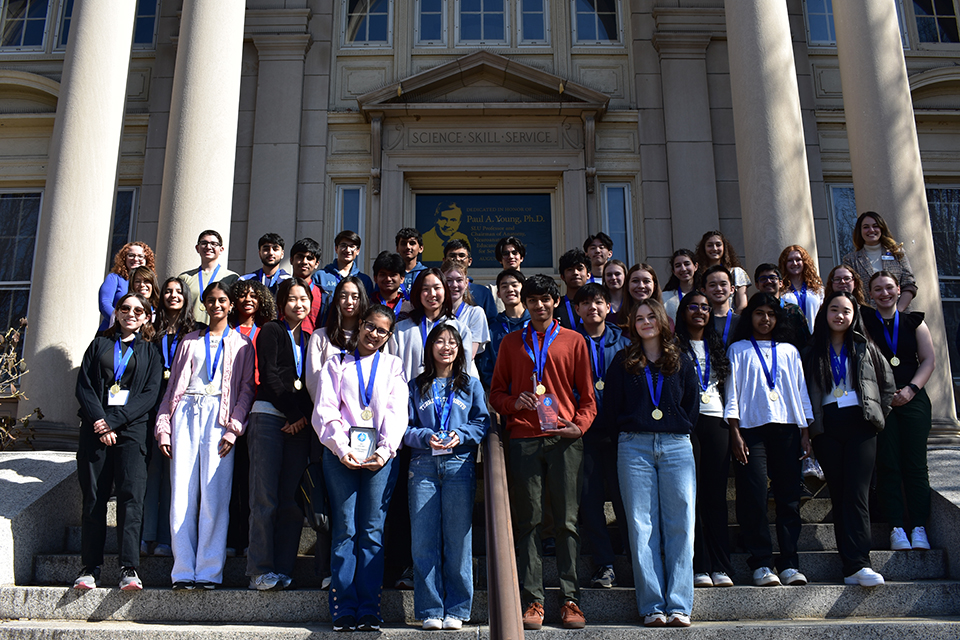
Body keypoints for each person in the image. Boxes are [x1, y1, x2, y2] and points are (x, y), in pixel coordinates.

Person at [489, 274, 596, 631]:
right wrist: (512, 403)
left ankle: (570, 599)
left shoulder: (574, 341)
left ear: (555, 302)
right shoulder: (510, 343)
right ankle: (532, 599)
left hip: (564, 438)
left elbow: (588, 397)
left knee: (567, 521)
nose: (539, 306)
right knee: (529, 521)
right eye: (532, 300)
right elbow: (496, 394)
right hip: (524, 438)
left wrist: (579, 426)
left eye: (545, 299)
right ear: (525, 304)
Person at [155, 281, 256, 590]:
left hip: (219, 418)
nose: (216, 305)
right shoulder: (189, 341)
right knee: (182, 494)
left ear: (230, 305)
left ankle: (209, 571)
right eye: (211, 300)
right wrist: (164, 427)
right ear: (204, 304)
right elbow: (173, 388)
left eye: (222, 300)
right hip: (186, 411)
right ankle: (183, 570)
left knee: (215, 495)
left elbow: (246, 390)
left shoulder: (242, 343)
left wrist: (234, 428)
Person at [313, 305, 408, 632]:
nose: (374, 334)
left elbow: (397, 411)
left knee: (371, 531)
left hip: (380, 458)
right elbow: (326, 410)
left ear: (388, 336)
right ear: (360, 325)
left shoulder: (393, 365)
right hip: (341, 456)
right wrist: (342, 448)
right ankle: (343, 607)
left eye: (382, 330)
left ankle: (369, 608)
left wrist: (384, 450)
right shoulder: (336, 363)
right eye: (370, 326)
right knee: (345, 530)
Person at [605, 299, 699, 627]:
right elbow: (612, 407)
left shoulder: (681, 359)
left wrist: (675, 428)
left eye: (651, 317)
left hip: (676, 446)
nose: (645, 322)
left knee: (681, 525)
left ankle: (679, 605)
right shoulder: (623, 361)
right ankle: (652, 606)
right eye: (639, 318)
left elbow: (692, 405)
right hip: (635, 447)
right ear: (633, 325)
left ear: (661, 321)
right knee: (641, 526)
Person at [385, 268, 473, 590]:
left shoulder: (458, 328)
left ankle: (449, 575)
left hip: (448, 431)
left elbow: (468, 376)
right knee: (407, 506)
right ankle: (407, 567)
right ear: (417, 293)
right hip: (411, 426)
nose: (432, 294)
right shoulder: (402, 328)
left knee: (449, 514)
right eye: (425, 288)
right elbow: (392, 374)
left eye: (437, 288)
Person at [802, 291, 895, 586]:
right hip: (827, 427)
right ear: (825, 313)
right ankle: (850, 567)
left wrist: (876, 416)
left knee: (857, 493)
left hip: (861, 425)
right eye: (834, 309)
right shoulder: (812, 351)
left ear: (854, 316)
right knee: (840, 493)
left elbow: (887, 387)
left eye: (846, 310)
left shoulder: (865, 347)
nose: (840, 315)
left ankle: (860, 562)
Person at [73, 293, 162, 591]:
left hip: (132, 431)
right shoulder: (99, 344)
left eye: (138, 310)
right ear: (117, 312)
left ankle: (129, 567)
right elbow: (84, 386)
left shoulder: (151, 351)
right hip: (95, 430)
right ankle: (90, 567)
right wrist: (101, 421)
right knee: (94, 498)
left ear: (146, 316)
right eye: (125, 308)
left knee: (131, 498)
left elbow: (149, 394)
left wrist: (114, 421)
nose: (131, 314)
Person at [725, 292, 813, 587]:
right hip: (751, 430)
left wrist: (805, 432)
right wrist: (735, 432)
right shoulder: (738, 349)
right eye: (759, 313)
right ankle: (761, 562)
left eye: (771, 314)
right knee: (753, 495)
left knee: (788, 498)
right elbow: (732, 393)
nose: (765, 319)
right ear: (749, 316)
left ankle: (789, 562)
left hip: (787, 428)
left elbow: (800, 391)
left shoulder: (789, 350)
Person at [406, 325, 490, 630]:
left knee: (458, 540)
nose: (446, 347)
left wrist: (460, 434)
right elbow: (404, 428)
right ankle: (430, 609)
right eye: (440, 341)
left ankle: (457, 608)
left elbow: (482, 422)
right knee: (423, 540)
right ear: (430, 347)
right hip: (423, 466)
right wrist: (425, 436)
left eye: (452, 342)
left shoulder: (471, 385)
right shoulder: (416, 386)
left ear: (460, 349)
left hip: (459, 464)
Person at [246, 278, 314, 591]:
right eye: (292, 299)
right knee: (265, 498)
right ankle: (259, 570)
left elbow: (311, 383)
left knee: (291, 500)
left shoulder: (311, 339)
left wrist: (301, 417)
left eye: (304, 298)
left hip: (298, 425)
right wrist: (294, 414)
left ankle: (284, 568)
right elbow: (270, 376)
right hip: (269, 418)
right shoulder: (271, 331)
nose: (299, 304)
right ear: (281, 302)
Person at [862, 271, 936, 552]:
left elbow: (928, 360)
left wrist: (911, 390)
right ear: (871, 294)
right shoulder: (865, 322)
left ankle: (918, 526)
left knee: (915, 465)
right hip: (881, 402)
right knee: (888, 464)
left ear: (898, 290)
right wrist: (885, 395)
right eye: (878, 289)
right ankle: (896, 527)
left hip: (913, 399)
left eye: (889, 288)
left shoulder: (914, 321)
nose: (884, 293)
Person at [674, 291, 734, 589]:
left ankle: (721, 565)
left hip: (716, 421)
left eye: (705, 308)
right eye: (693, 306)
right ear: (683, 311)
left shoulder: (718, 345)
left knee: (715, 496)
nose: (699, 311)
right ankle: (700, 565)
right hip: (687, 423)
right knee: (691, 496)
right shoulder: (673, 346)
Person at [573, 283, 631, 589]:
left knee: (626, 499)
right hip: (584, 433)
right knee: (591, 501)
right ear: (577, 309)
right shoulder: (569, 342)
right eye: (586, 303)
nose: (592, 308)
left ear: (608, 307)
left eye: (598, 302)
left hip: (621, 432)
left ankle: (635, 560)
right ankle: (604, 564)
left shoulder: (625, 342)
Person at [142, 278, 198, 559]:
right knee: (150, 472)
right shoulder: (150, 330)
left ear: (186, 298)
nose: (173, 295)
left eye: (179, 292)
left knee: (174, 473)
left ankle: (166, 537)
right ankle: (145, 535)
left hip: (182, 405)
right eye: (168, 291)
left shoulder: (196, 332)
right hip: (150, 402)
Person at [306, 276, 370, 394]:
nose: (349, 302)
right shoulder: (319, 336)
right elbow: (313, 380)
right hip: (326, 403)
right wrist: (326, 404)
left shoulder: (369, 337)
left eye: (355, 297)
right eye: (343, 296)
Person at [843, 211, 917, 310]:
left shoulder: (897, 253)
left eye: (875, 226)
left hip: (900, 313)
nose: (871, 230)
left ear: (882, 228)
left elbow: (909, 284)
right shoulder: (851, 260)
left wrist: (897, 312)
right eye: (866, 227)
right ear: (859, 231)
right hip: (868, 316)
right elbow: (850, 292)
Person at [481, 269, 529, 388]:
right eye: (504, 286)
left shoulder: (536, 323)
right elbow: (486, 368)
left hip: (534, 392)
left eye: (514, 285)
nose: (510, 289)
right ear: (498, 294)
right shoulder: (492, 329)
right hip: (503, 394)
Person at [180, 230, 240, 324]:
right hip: (190, 329)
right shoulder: (185, 278)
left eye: (213, 244)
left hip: (219, 329)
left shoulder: (232, 278)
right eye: (204, 243)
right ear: (197, 248)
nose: (208, 247)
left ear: (221, 249)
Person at [753, 264, 812, 351]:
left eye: (772, 278)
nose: (768, 281)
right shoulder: (753, 311)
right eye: (763, 279)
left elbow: (805, 343)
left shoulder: (793, 311)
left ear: (780, 283)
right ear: (757, 285)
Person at [442, 258, 490, 363]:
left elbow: (470, 354)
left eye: (459, 280)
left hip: (464, 370)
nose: (454, 285)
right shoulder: (435, 313)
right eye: (449, 280)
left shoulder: (475, 313)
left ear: (466, 283)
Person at [98, 242, 153, 331]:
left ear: (146, 259)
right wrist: (121, 321)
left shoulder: (149, 282)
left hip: (140, 332)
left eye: (140, 256)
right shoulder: (115, 278)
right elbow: (105, 303)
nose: (136, 259)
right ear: (124, 258)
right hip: (112, 330)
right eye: (131, 255)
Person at [695, 230, 750, 314]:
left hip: (731, 319)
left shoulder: (736, 272)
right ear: (704, 248)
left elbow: (742, 305)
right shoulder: (698, 274)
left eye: (718, 245)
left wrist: (733, 320)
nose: (714, 248)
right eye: (710, 245)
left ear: (724, 247)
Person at [443, 239, 498, 321]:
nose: (457, 259)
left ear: (469, 261)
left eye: (461, 255)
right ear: (444, 260)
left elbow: (492, 322)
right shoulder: (437, 292)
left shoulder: (483, 292)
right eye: (452, 256)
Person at [316, 230, 375, 298]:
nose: (347, 250)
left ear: (358, 251)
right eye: (343, 245)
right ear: (336, 249)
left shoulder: (364, 280)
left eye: (352, 246)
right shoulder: (321, 277)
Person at [779, 245, 823, 334]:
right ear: (784, 264)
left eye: (798, 260)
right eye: (790, 260)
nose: (794, 263)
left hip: (815, 338)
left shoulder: (817, 289)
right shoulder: (781, 291)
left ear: (804, 262)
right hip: (791, 338)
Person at [289, 237, 326, 333]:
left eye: (309, 258)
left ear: (316, 264)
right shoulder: (279, 289)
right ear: (291, 260)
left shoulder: (322, 295)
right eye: (300, 257)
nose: (304, 262)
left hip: (312, 341)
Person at [240, 233, 291, 297]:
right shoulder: (244, 280)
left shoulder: (289, 281)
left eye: (275, 249)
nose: (271, 253)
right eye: (266, 249)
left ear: (282, 254)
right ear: (259, 253)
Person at [701, 265, 738, 346]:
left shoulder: (741, 322)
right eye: (712, 285)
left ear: (732, 289)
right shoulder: (701, 320)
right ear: (703, 291)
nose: (718, 289)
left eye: (723, 284)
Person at [555, 249, 590, 330]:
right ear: (562, 276)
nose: (575, 273)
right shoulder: (556, 306)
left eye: (580, 269)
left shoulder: (596, 305)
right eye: (570, 269)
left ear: (588, 275)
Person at [661, 249, 700, 320]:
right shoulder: (664, 297)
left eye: (687, 264)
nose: (683, 269)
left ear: (695, 266)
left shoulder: (704, 294)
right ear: (673, 271)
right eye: (678, 265)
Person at [371, 251, 410, 316]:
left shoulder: (410, 309)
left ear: (402, 278)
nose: (388, 279)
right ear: (375, 278)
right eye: (383, 275)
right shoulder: (367, 306)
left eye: (393, 275)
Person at [397, 227, 427, 292]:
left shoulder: (426, 273)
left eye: (412, 243)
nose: (408, 247)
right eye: (403, 244)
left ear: (421, 248)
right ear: (397, 248)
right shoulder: (390, 273)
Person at [602, 259, 629, 326]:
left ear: (625, 276)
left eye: (617, 274)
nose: (613, 278)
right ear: (604, 278)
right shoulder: (599, 302)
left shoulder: (632, 301)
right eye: (609, 275)